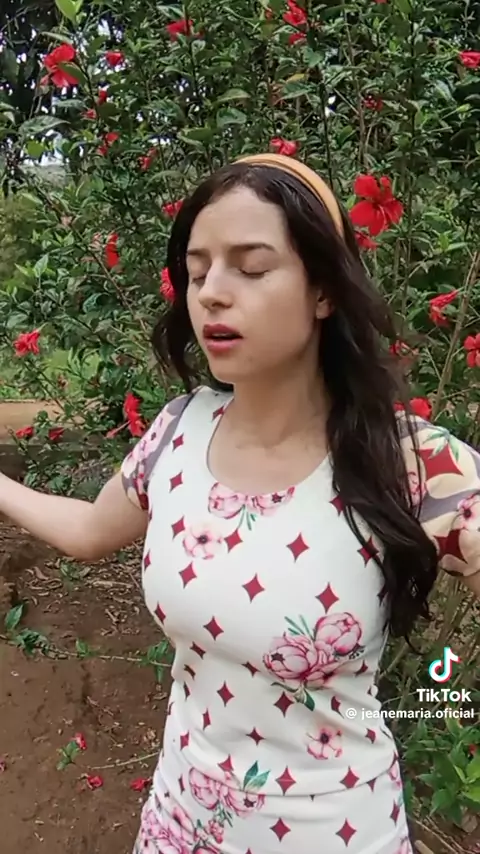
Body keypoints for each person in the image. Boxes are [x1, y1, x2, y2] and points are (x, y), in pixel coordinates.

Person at [1, 152, 479, 854]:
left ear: (324, 290)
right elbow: (88, 529)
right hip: (176, 821)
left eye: (251, 269)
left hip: (332, 834)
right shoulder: (180, 430)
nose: (213, 295)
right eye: (198, 273)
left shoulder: (408, 461)